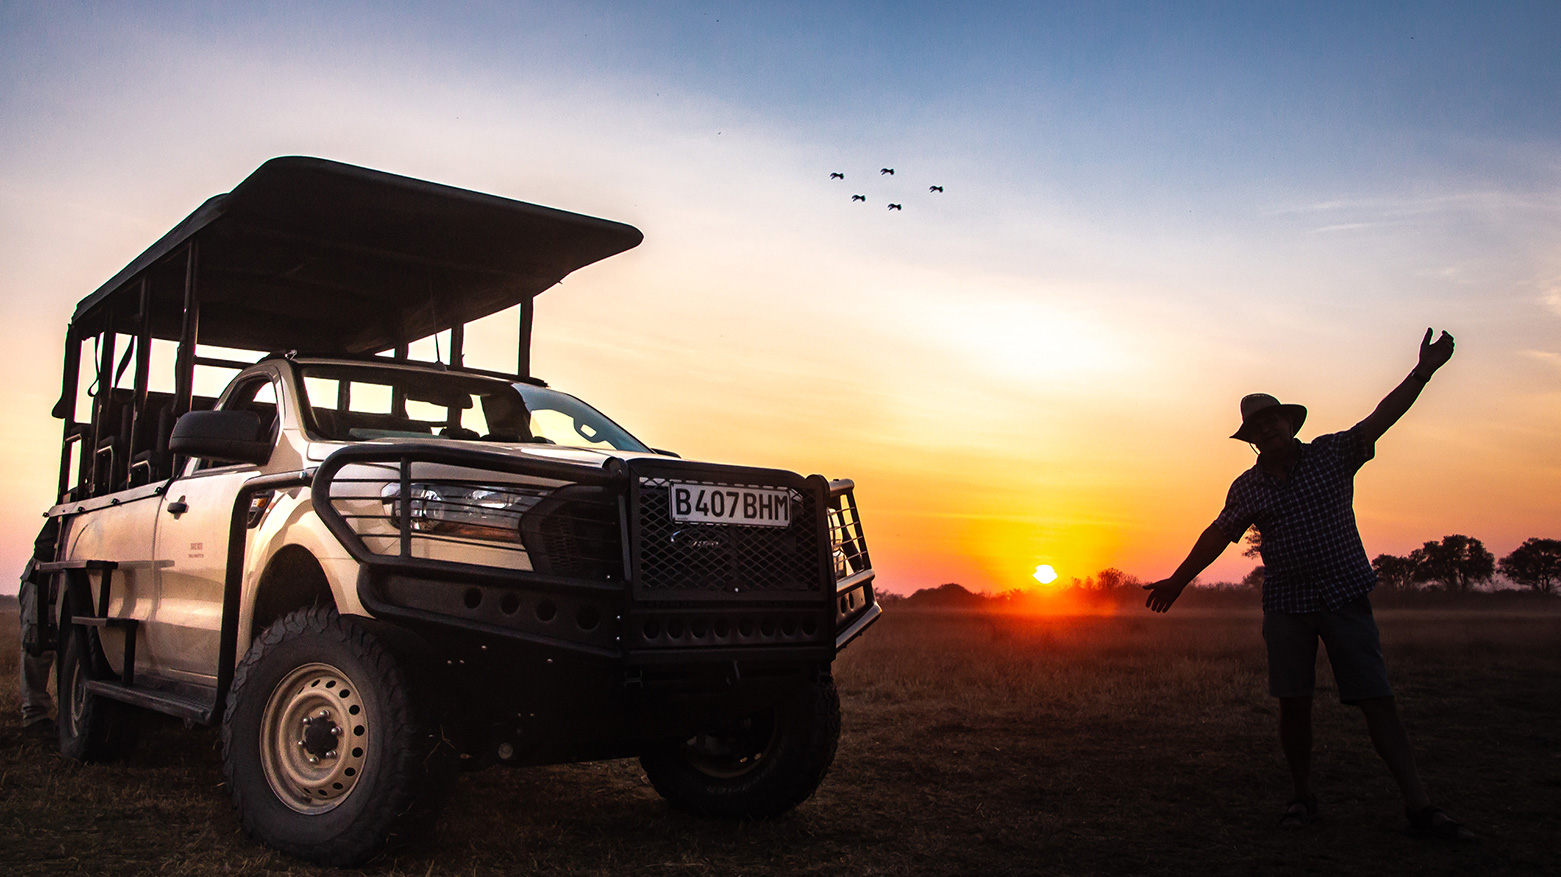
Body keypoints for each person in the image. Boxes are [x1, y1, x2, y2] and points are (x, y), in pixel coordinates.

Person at [1142, 328, 1475, 841]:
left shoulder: (1333, 454)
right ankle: (1302, 797)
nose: (1266, 428)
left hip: (1345, 597)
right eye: (1256, 424)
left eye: (1272, 418)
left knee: (1375, 699)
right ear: (1249, 438)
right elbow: (1218, 533)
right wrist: (1179, 581)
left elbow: (1383, 416)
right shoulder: (1248, 486)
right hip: (1287, 607)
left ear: (1287, 422)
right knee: (1293, 703)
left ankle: (1420, 806)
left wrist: (1424, 371)